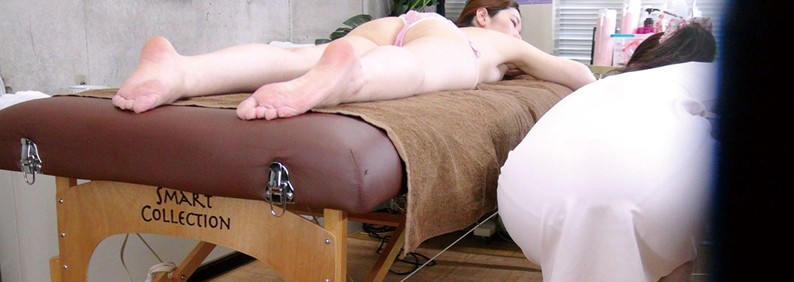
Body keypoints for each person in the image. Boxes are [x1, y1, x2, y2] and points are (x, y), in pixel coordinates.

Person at [496, 20, 717, 282]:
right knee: (670, 255)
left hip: (524, 200)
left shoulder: (603, 85)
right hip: (631, 198)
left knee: (603, 256)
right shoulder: (703, 73)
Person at [111, 1, 595, 120]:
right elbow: (572, 72)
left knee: (300, 57)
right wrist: (603, 90)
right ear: (484, 16)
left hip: (394, 26)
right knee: (420, 70)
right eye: (515, 21)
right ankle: (351, 80)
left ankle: (182, 70)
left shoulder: (423, 19)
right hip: (442, 42)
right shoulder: (488, 39)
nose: (519, 33)